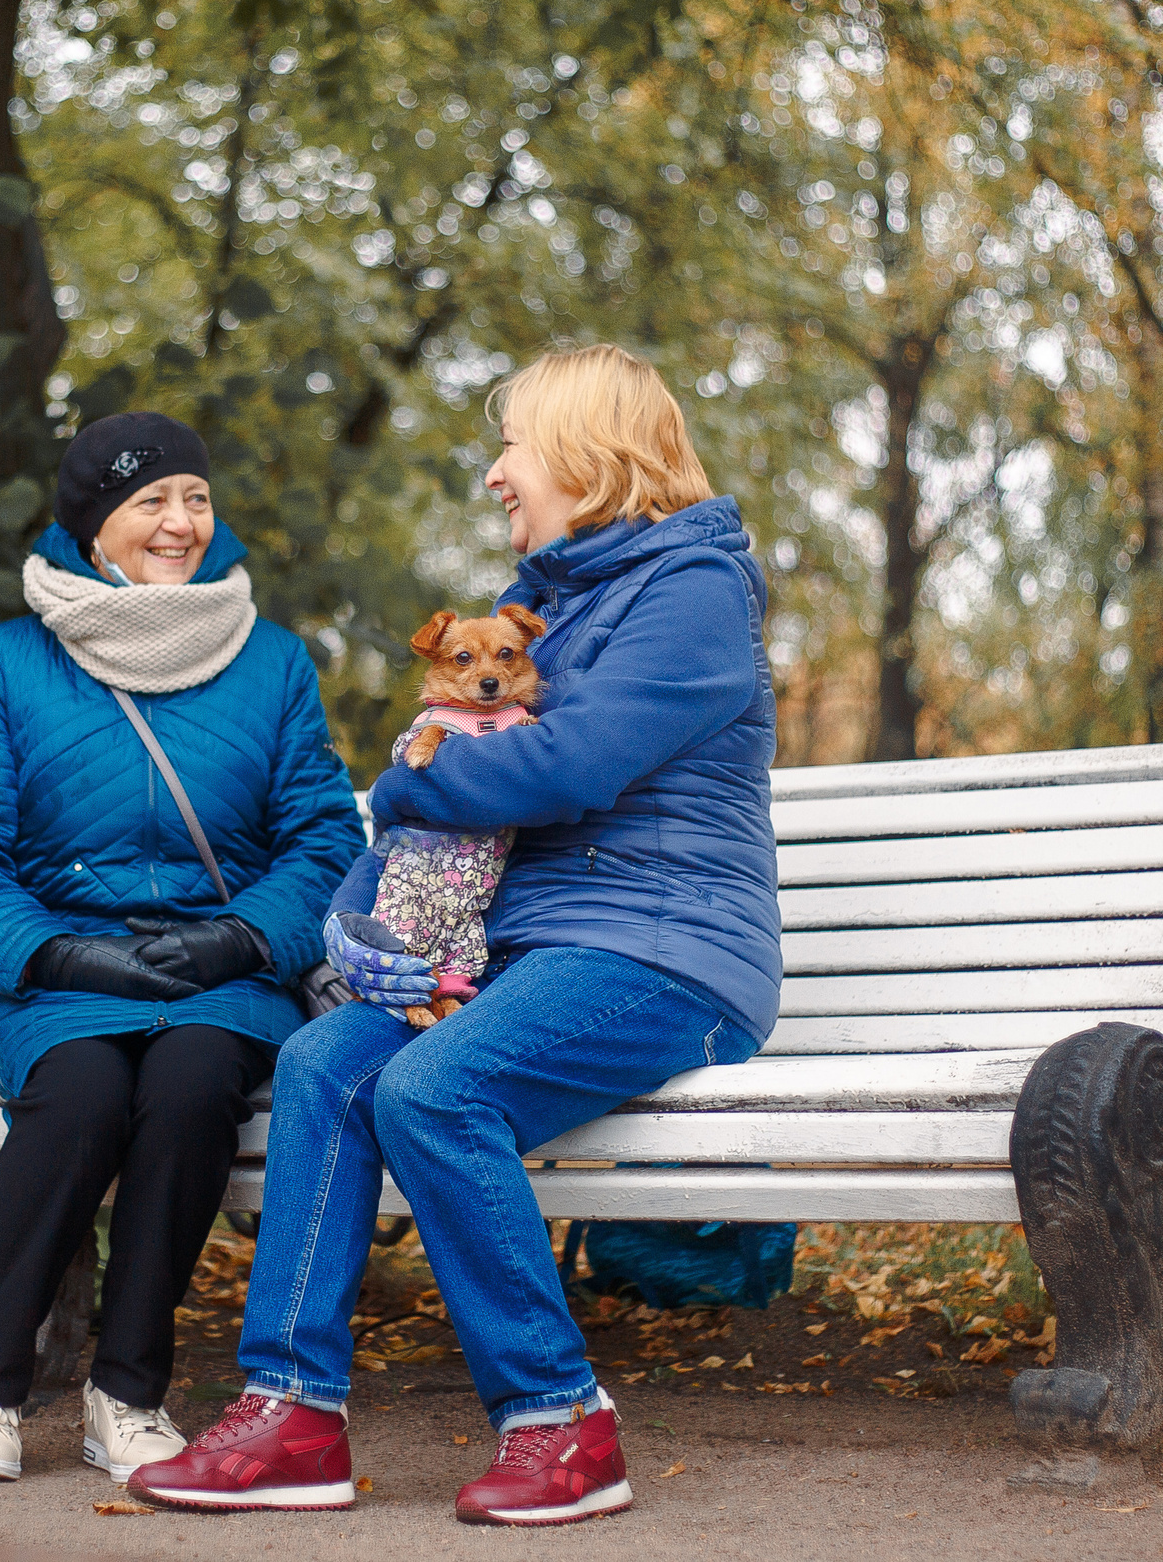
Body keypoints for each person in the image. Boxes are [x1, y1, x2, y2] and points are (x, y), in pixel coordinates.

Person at [131, 344, 781, 1526]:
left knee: (432, 1089)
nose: (496, 474)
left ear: (588, 453)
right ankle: (291, 1415)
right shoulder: (557, 602)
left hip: (665, 950)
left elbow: (561, 766)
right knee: (325, 1061)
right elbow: (471, 785)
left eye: (514, 445)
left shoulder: (691, 587)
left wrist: (402, 787)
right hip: (535, 953)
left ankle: (560, 1423)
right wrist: (361, 913)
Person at [0, 410, 365, 1486]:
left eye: (195, 498)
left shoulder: (272, 660)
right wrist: (63, 959)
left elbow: (323, 840)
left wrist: (240, 938)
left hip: (224, 974)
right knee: (78, 1097)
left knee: (193, 1081)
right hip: (58, 975)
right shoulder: (7, 662)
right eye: (149, 501)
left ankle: (127, 1391)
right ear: (90, 524)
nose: (180, 522)